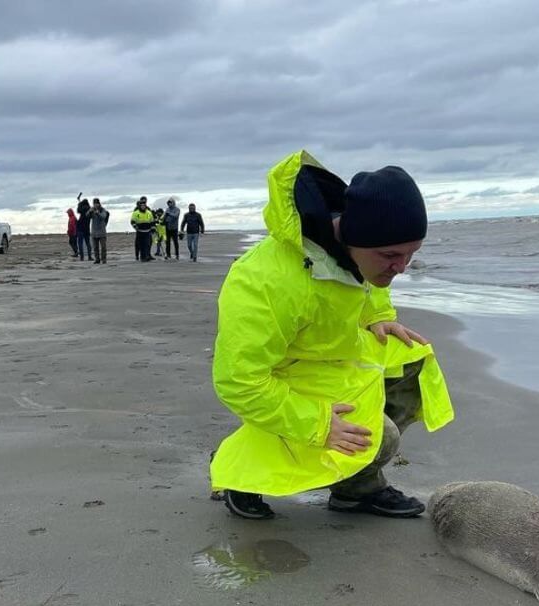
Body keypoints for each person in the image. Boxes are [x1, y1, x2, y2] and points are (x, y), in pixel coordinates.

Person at [209, 150, 454, 521]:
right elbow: (239, 381)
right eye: (391, 255)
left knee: (412, 359)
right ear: (353, 238)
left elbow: (369, 283)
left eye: (411, 254)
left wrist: (379, 316)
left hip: (333, 354)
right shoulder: (264, 281)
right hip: (287, 373)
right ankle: (243, 474)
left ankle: (355, 489)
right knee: (381, 437)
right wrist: (318, 424)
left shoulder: (357, 251)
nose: (402, 268)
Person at [130, 197, 155, 262]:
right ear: (140, 206)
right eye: (142, 205)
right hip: (140, 231)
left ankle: (147, 256)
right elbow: (132, 221)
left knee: (147, 244)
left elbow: (152, 221)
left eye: (144, 205)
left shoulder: (149, 212)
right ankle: (141, 256)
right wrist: (135, 227)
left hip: (147, 231)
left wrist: (153, 228)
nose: (143, 206)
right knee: (140, 244)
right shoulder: (136, 212)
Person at [89, 197, 110, 264]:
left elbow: (103, 216)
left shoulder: (103, 210)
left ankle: (104, 259)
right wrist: (90, 211)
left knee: (103, 247)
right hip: (94, 232)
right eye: (94, 204)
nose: (95, 205)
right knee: (95, 247)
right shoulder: (92, 210)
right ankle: (97, 259)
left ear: (99, 204)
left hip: (102, 232)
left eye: (97, 204)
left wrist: (98, 213)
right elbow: (87, 216)